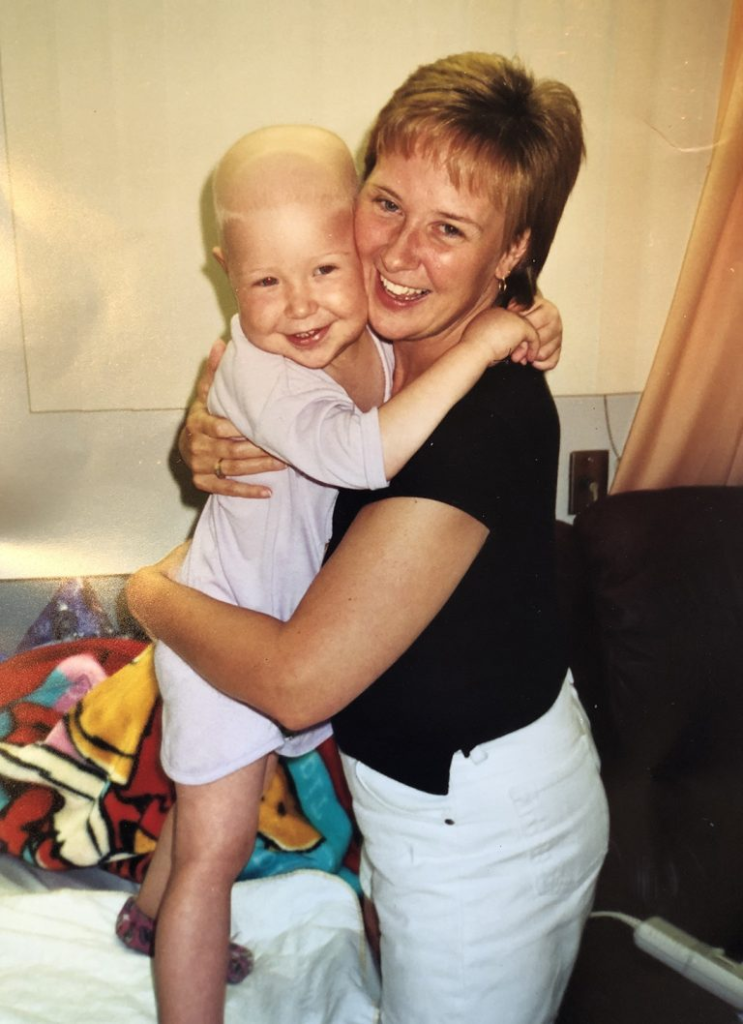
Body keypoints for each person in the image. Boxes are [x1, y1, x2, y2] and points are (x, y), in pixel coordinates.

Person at [126, 53, 609, 1024]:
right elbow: (277, 397)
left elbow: (300, 681)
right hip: (430, 807)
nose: (397, 254)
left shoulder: (480, 418)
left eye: (449, 230)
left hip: (481, 836)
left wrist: (148, 595)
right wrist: (205, 433)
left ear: (509, 252)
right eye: (386, 204)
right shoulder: (371, 338)